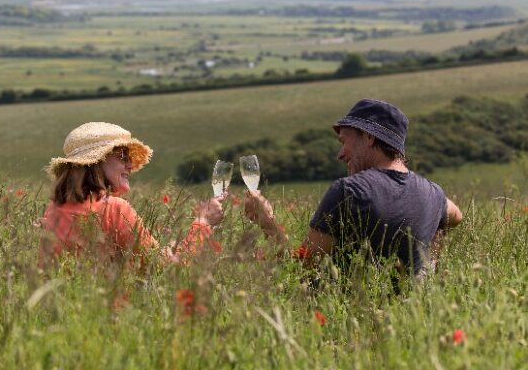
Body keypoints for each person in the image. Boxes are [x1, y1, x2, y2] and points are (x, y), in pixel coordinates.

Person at [244, 99, 463, 276]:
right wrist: (431, 260)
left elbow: (300, 270)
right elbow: (456, 216)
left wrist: (267, 222)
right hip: (410, 319)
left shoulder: (350, 191)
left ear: (369, 137)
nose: (340, 155)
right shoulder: (433, 193)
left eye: (344, 142)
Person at [40, 122, 224, 266]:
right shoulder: (113, 208)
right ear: (96, 162)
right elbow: (163, 268)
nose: (130, 165)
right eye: (122, 157)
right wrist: (203, 222)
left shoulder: (52, 211)